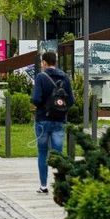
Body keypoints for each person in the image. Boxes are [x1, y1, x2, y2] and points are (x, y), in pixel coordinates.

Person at [29, 50, 74, 195]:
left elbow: (36, 99)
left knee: (42, 152)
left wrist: (42, 105)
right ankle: (60, 185)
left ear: (44, 62)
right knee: (58, 154)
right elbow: (71, 100)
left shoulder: (41, 77)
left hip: (42, 119)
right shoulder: (65, 77)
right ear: (55, 62)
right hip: (59, 121)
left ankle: (43, 185)